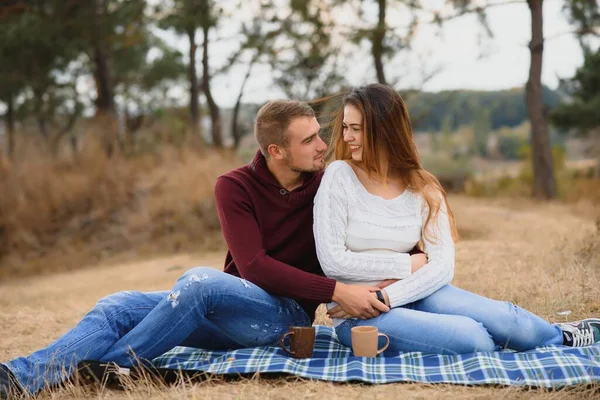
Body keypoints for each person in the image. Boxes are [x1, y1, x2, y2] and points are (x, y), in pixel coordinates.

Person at [0, 100, 384, 399]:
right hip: (227, 306)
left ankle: (115, 367)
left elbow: (379, 223)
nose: (322, 146)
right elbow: (253, 267)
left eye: (320, 134)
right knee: (117, 305)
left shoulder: (329, 184)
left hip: (282, 320)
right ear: (276, 151)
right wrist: (335, 290)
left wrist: (412, 256)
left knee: (199, 282)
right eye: (309, 140)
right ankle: (18, 378)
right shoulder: (234, 186)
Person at [313, 83, 600, 355]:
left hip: (415, 294)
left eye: (356, 129)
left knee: (507, 322)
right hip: (358, 313)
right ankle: (496, 344)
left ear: (384, 132)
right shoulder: (339, 176)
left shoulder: (422, 187)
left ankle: (561, 336)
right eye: (345, 128)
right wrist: (408, 265)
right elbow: (333, 260)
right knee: (473, 338)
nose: (346, 137)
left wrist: (388, 295)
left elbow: (442, 266)